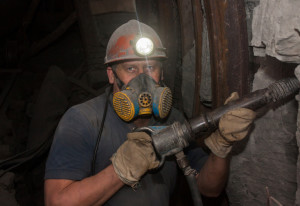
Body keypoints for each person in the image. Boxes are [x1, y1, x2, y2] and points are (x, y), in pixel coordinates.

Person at [44, 19, 256, 206]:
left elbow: (209, 188)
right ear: (111, 75)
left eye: (150, 68)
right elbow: (57, 202)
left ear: (161, 72)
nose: (142, 79)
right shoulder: (82, 121)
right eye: (131, 69)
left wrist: (222, 147)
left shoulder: (172, 119)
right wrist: (122, 169)